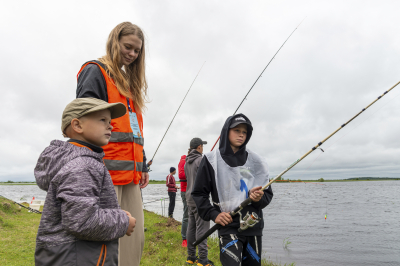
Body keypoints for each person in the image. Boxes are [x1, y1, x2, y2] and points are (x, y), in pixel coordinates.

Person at [76, 22, 149, 265]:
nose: (132, 54)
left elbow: (133, 132)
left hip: (131, 177)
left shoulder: (130, 86)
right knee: (104, 243)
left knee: (133, 241)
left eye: (137, 50)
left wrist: (144, 166)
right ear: (114, 42)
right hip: (105, 174)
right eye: (128, 47)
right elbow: (85, 126)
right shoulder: (95, 71)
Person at [34, 98, 137, 265]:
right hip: (80, 256)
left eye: (110, 121)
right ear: (77, 125)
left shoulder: (74, 160)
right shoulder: (83, 164)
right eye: (103, 120)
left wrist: (114, 214)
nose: (110, 126)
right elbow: (81, 221)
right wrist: (123, 222)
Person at [192, 114, 274, 266]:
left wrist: (258, 199)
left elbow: (268, 194)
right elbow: (198, 193)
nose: (241, 134)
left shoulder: (258, 161)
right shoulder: (210, 160)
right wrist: (214, 214)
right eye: (237, 130)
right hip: (227, 225)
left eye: (245, 132)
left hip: (253, 226)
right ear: (226, 131)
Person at [185, 138, 214, 266]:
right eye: (202, 146)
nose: (203, 149)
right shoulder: (200, 160)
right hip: (199, 200)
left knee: (191, 228)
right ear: (199, 148)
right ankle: (203, 261)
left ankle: (191, 257)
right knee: (202, 229)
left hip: (189, 198)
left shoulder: (187, 162)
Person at [178, 152, 189, 247]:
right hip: (185, 191)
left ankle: (198, 238)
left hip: (195, 190)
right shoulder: (183, 160)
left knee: (198, 215)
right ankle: (184, 238)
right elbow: (181, 175)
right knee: (187, 214)